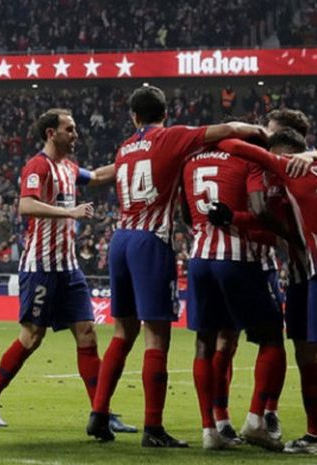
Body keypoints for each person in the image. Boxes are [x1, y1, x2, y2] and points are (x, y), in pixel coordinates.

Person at [86, 85, 267, 447]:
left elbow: (104, 175)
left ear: (134, 117)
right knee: (156, 336)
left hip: (119, 239)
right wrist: (259, 132)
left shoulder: (125, 147)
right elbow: (227, 130)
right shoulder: (172, 137)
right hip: (151, 241)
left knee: (123, 331)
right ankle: (153, 427)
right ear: (164, 113)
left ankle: (99, 413)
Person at [0, 108, 136, 434]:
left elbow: (100, 176)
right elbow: (26, 205)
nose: (75, 135)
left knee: (87, 332)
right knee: (32, 337)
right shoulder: (38, 166)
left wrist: (136, 160)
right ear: (51, 132)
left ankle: (100, 411)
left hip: (68, 267)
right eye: (70, 129)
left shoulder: (68, 167)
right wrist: (71, 212)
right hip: (41, 267)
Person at [180, 140, 286, 451]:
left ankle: (211, 429)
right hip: (239, 259)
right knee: (270, 339)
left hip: (199, 258)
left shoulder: (191, 161)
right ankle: (257, 420)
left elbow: (186, 213)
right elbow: (258, 208)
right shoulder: (248, 161)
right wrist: (282, 233)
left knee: (206, 343)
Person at [215, 131, 317, 453]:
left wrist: (263, 140)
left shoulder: (284, 165)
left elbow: (229, 144)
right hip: (303, 275)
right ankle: (312, 435)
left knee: (310, 356)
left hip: (313, 273)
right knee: (307, 356)